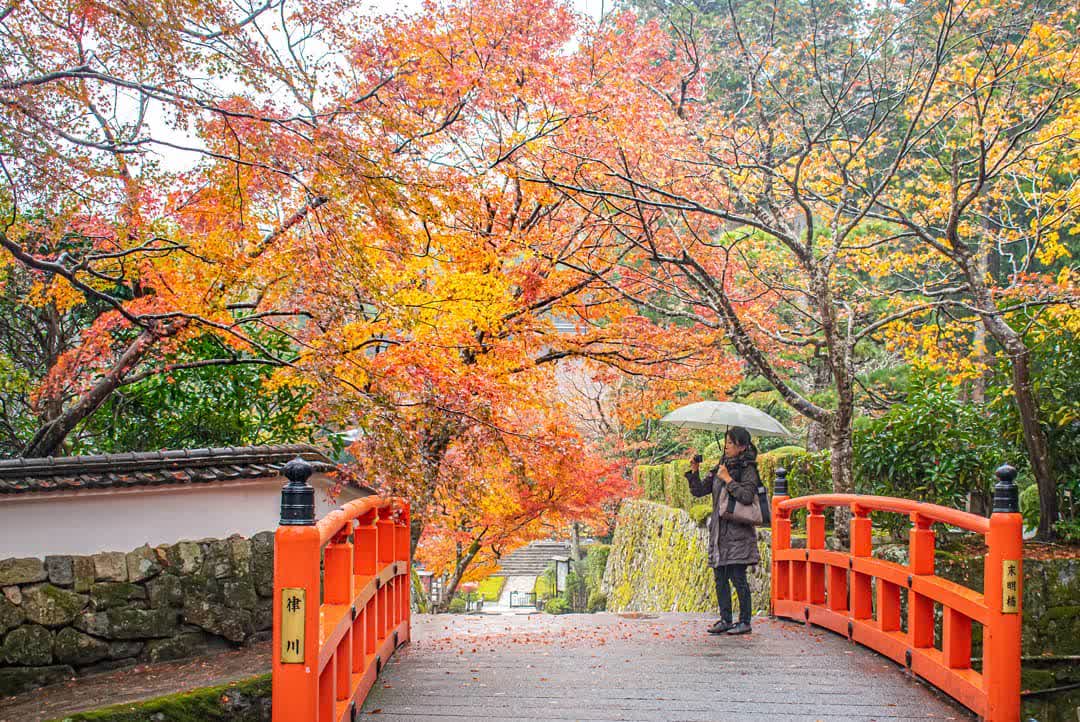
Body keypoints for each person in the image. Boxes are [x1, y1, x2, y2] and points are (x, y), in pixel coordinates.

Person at [685, 426, 761, 635]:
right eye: (726, 442)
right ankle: (725, 619)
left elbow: (746, 496)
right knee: (720, 576)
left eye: (731, 443)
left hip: (738, 533)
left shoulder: (748, 469)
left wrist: (728, 480)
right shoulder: (721, 465)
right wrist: (694, 471)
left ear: (742, 446)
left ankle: (745, 621)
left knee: (738, 577)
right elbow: (700, 490)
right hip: (719, 532)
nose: (727, 446)